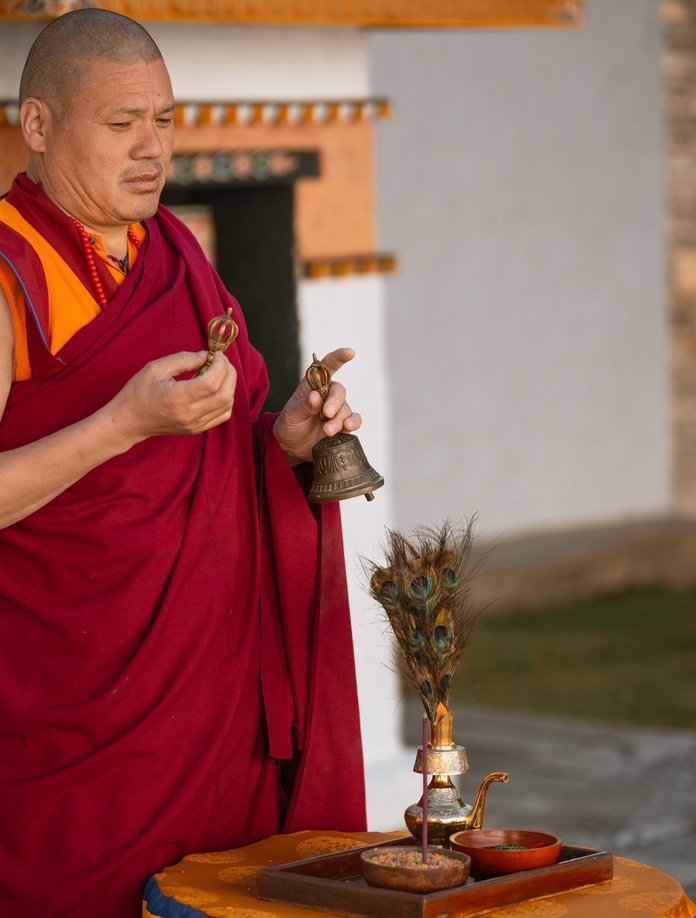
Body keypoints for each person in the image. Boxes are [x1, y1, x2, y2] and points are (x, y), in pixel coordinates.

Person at [0, 10, 366, 918]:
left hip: (213, 712)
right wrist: (122, 423)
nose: (150, 149)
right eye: (120, 124)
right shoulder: (11, 275)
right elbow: (129, 444)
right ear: (38, 125)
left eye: (163, 121)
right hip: (75, 725)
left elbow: (210, 456)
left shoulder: (172, 256)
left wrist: (279, 442)